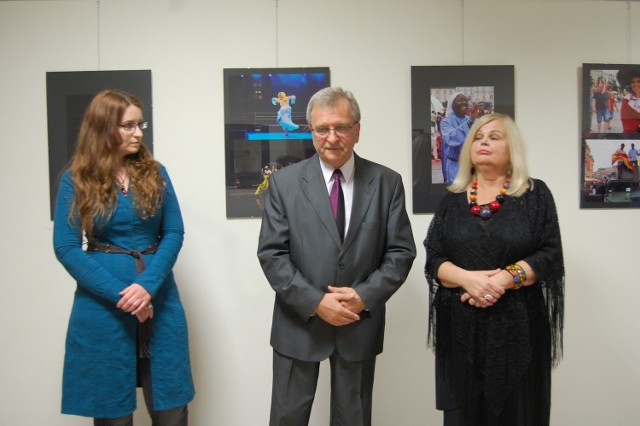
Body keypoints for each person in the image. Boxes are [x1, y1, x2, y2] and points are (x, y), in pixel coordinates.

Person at [257, 87, 416, 426]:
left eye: (341, 127)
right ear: (311, 132)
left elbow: (401, 253)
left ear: (357, 130)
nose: (332, 137)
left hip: (358, 324)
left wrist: (364, 296)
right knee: (287, 418)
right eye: (322, 129)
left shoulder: (387, 183)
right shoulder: (284, 184)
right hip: (297, 323)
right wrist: (315, 301)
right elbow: (272, 254)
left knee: (353, 420)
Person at [53, 90, 194, 425]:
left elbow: (173, 233)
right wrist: (123, 295)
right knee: (112, 411)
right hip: (102, 308)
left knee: (171, 406)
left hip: (159, 299)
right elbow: (66, 247)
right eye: (128, 125)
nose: (139, 132)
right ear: (103, 128)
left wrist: (146, 287)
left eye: (139, 123)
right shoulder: (75, 179)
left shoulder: (155, 172)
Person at [424, 113, 564, 426]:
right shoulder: (451, 200)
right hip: (461, 331)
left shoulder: (535, 194)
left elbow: (550, 254)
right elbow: (433, 257)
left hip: (519, 330)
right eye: (477, 136)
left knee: (518, 413)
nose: (483, 142)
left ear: (511, 148)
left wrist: (502, 279)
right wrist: (467, 280)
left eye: (494, 137)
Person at [440, 92, 483, 183]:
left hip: (471, 166)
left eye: (465, 100)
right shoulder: (445, 122)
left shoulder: (472, 119)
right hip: (455, 166)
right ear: (452, 105)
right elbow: (451, 139)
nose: (464, 102)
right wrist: (470, 122)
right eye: (460, 100)